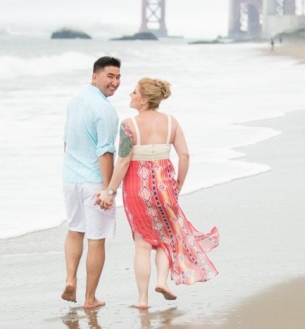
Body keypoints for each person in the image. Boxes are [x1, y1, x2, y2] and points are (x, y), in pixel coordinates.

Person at [96, 78, 219, 309]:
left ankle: (142, 300)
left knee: (142, 245)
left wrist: (110, 191)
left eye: (133, 92)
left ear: (144, 99)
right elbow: (184, 156)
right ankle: (162, 281)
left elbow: (122, 162)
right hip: (165, 187)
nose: (130, 95)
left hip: (136, 189)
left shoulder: (128, 125)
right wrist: (179, 185)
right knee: (166, 238)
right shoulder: (171, 123)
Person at [61, 56, 121, 308]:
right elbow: (105, 152)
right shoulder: (106, 110)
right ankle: (89, 298)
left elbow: (66, 141)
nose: (115, 83)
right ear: (94, 77)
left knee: (75, 230)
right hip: (94, 182)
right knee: (97, 239)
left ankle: (71, 279)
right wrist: (109, 188)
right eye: (110, 76)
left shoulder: (75, 101)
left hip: (70, 178)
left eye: (118, 77)